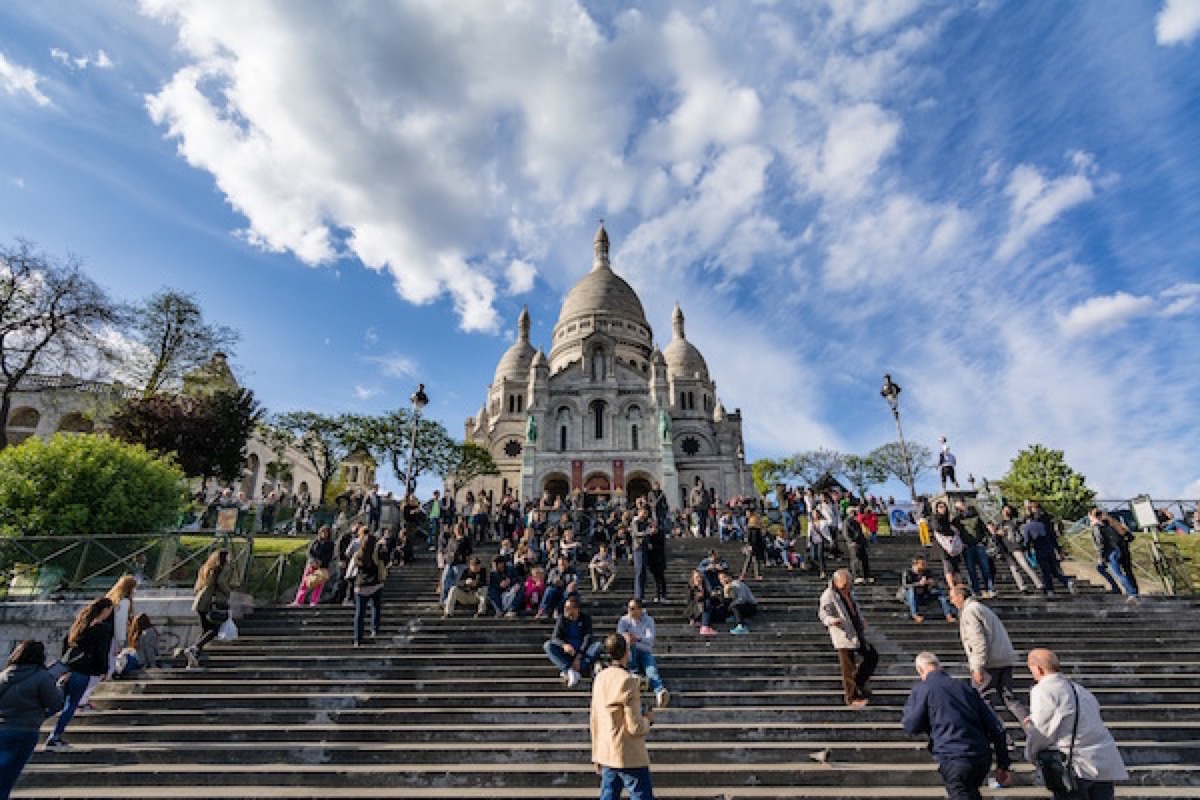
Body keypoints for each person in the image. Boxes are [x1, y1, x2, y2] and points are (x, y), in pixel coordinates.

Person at [901, 652, 1012, 800]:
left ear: (920, 671)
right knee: (970, 792)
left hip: (953, 755)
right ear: (939, 666)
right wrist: (1003, 764)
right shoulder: (966, 688)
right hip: (980, 756)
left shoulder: (923, 689)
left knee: (961, 792)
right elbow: (996, 727)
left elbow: (911, 725)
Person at [1024, 648, 1128, 799]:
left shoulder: (1043, 690)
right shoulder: (1080, 690)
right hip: (1103, 761)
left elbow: (1043, 730)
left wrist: (1031, 754)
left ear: (1038, 669)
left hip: (1076, 765)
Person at [950, 586, 1028, 725]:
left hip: (989, 662)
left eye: (953, 597)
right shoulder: (982, 608)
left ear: (961, 597)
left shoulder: (970, 611)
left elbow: (977, 640)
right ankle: (1031, 728)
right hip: (1004, 658)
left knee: (982, 700)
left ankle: (1000, 734)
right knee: (1010, 699)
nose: (951, 601)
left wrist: (977, 667)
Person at [591, 633, 656, 800]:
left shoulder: (600, 678)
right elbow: (634, 726)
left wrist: (596, 753)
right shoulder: (628, 681)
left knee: (608, 796)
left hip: (607, 752)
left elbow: (595, 719)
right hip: (629, 754)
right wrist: (648, 719)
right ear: (627, 652)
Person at [45, 598, 113, 752]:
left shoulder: (80, 624)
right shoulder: (102, 628)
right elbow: (101, 651)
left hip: (67, 667)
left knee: (60, 703)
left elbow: (65, 644)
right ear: (105, 610)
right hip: (83, 670)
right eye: (109, 610)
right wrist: (103, 670)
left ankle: (34, 722)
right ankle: (54, 736)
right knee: (71, 704)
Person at [1, 641, 64, 793]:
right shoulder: (41, 677)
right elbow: (55, 703)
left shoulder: (4, 675)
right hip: (25, 730)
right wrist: (61, 686)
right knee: (8, 776)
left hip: (3, 728)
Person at [818, 569, 877, 708]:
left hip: (856, 630)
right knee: (848, 666)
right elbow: (822, 614)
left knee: (871, 656)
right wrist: (831, 620)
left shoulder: (850, 592)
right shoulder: (828, 595)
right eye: (844, 585)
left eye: (848, 584)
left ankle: (859, 682)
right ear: (836, 582)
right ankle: (851, 697)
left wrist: (861, 620)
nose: (847, 587)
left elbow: (855, 608)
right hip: (843, 633)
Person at [617, 599, 669, 708]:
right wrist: (627, 638)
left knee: (651, 668)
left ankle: (659, 691)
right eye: (629, 608)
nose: (629, 611)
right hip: (629, 651)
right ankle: (633, 671)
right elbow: (619, 636)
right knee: (630, 646)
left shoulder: (648, 620)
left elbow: (650, 639)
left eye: (632, 609)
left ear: (640, 610)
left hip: (644, 650)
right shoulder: (624, 620)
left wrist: (638, 638)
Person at [185, 549, 232, 668]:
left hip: (200, 601)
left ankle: (193, 657)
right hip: (212, 601)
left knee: (204, 630)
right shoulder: (223, 568)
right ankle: (194, 648)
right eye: (228, 556)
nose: (230, 558)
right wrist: (227, 592)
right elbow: (221, 582)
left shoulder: (205, 567)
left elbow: (197, 586)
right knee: (214, 629)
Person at [543, 597, 604, 688]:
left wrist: (579, 656)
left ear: (576, 609)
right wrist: (564, 645)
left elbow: (588, 637)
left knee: (598, 646)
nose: (565, 610)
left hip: (582, 653)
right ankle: (569, 670)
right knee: (548, 646)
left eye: (568, 608)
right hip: (568, 653)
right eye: (565, 608)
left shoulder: (585, 619)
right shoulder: (562, 619)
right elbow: (555, 638)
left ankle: (578, 670)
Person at [1022, 504, 1075, 597]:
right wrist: (1058, 549)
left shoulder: (1027, 527)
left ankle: (1050, 590)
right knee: (1054, 571)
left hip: (1039, 550)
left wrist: (1027, 552)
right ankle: (1066, 581)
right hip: (1050, 549)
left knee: (1045, 571)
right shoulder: (1045, 524)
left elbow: (1027, 541)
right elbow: (1053, 537)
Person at [1088, 509, 1138, 602]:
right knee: (1102, 569)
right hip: (1116, 550)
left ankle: (1131, 593)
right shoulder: (1107, 525)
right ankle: (1119, 589)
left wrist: (1100, 556)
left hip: (1109, 552)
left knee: (1118, 574)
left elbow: (1100, 542)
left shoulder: (1097, 527)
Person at [994, 505, 1043, 593]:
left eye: (1007, 510)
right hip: (1006, 548)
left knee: (1025, 565)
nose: (1005, 512)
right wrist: (997, 534)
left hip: (1015, 546)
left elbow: (1023, 519)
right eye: (1004, 510)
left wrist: (1027, 509)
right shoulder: (999, 524)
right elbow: (995, 536)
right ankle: (1022, 587)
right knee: (1013, 568)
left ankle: (1038, 584)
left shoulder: (1014, 521)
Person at [352, 533, 387, 646]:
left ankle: (358, 638)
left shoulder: (358, 555)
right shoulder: (377, 554)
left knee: (359, 613)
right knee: (376, 607)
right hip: (375, 584)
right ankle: (375, 629)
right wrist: (382, 546)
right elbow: (386, 559)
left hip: (361, 585)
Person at [902, 556, 955, 623]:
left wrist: (932, 583)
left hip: (924, 594)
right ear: (915, 564)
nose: (925, 566)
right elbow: (905, 585)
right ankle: (914, 614)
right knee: (911, 590)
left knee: (940, 593)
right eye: (922, 564)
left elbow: (937, 582)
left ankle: (948, 614)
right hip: (910, 597)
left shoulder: (927, 572)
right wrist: (918, 584)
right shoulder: (907, 572)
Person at [293, 526, 335, 606]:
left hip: (322, 566)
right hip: (312, 564)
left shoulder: (330, 544)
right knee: (304, 583)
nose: (324, 534)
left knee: (319, 585)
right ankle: (298, 600)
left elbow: (329, 555)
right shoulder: (315, 541)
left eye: (326, 532)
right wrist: (313, 560)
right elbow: (309, 552)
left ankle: (314, 601)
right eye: (322, 532)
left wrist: (321, 562)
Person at [741, 513, 766, 581]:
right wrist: (750, 546)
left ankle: (745, 575)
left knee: (752, 561)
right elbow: (750, 539)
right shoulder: (752, 530)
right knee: (752, 561)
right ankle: (753, 575)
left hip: (756, 547)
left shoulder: (756, 530)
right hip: (752, 547)